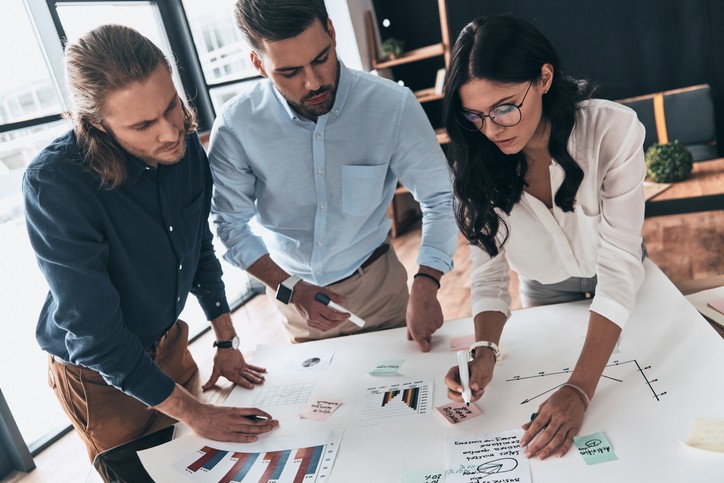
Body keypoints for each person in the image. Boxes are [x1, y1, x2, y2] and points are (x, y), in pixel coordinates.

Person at [22, 24, 278, 472]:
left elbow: (198, 249)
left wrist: (225, 340)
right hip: (98, 375)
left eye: (171, 106)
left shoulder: (183, 147)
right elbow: (96, 339)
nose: (169, 133)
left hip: (169, 343)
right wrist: (197, 413)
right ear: (96, 123)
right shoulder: (55, 184)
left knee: (198, 467)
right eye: (143, 124)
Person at [441, 15, 646, 460]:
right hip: (545, 292)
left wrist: (579, 388)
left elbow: (619, 266)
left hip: (624, 282)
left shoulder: (613, 130)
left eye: (505, 107)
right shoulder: (475, 165)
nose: (493, 129)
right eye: (475, 115)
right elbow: (490, 276)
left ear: (545, 78)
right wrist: (484, 347)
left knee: (640, 410)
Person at [208, 0, 458, 350]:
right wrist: (290, 289)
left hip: (380, 292)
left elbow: (440, 197)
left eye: (321, 59)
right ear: (258, 64)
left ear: (332, 32)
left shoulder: (391, 106)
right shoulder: (237, 127)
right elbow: (228, 226)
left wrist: (428, 280)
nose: (313, 83)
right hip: (292, 296)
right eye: (290, 72)